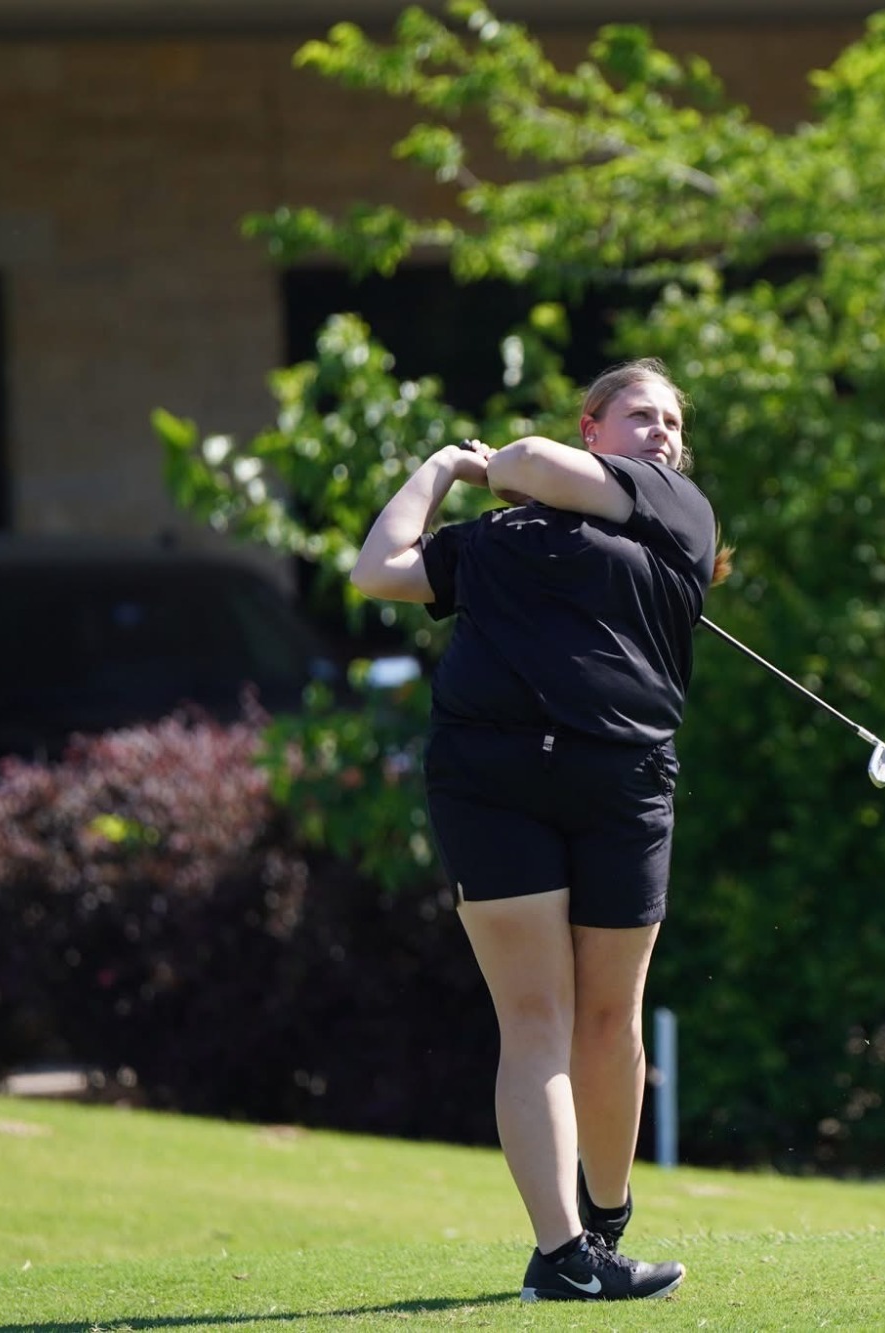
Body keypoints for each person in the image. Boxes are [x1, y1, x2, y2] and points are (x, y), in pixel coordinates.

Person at [350, 358, 725, 1303]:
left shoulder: (677, 507)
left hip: (622, 780)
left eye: (673, 421)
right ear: (593, 425)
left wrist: (482, 466)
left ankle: (607, 1220)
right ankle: (561, 1255)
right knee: (535, 1021)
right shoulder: (500, 538)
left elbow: (528, 460)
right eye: (641, 416)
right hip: (492, 780)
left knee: (610, 1017)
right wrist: (436, 468)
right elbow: (377, 570)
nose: (664, 433)